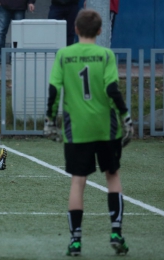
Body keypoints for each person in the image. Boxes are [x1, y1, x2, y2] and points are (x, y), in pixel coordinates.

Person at [44, 9, 133, 256]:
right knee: (112, 175)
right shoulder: (105, 55)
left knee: (78, 181)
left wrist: (49, 119)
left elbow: (54, 90)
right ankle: (116, 231)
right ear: (100, 31)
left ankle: (75, 241)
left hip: (77, 129)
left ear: (75, 29)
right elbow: (112, 89)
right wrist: (126, 117)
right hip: (106, 127)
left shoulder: (64, 54)